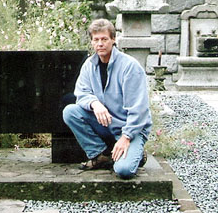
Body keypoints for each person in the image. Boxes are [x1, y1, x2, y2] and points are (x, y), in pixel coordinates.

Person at [62, 18, 152, 179]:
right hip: (106, 123)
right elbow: (81, 93)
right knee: (71, 111)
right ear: (91, 42)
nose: (100, 44)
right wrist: (95, 104)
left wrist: (126, 137)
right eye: (96, 40)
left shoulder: (130, 66)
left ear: (113, 40)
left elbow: (139, 110)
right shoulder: (89, 65)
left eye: (104, 39)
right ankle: (100, 155)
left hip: (130, 128)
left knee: (124, 171)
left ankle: (135, 154)